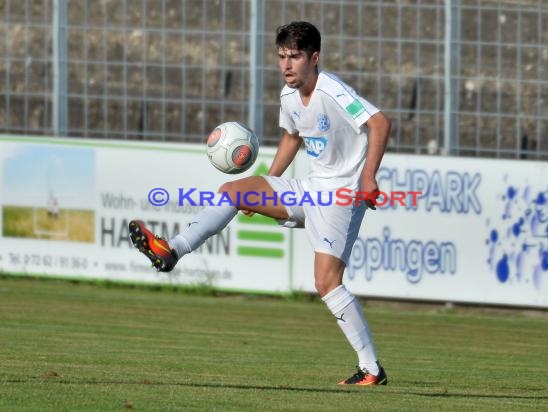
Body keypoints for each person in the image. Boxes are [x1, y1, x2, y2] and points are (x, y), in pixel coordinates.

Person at [129, 21, 391, 386]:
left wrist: (368, 177)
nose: (287, 65)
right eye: (282, 56)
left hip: (341, 196)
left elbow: (379, 122)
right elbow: (291, 136)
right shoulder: (288, 94)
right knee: (236, 191)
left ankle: (371, 369)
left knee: (326, 282)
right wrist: (270, 183)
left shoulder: (331, 91)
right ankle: (171, 251)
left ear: (314, 58)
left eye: (295, 57)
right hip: (310, 187)